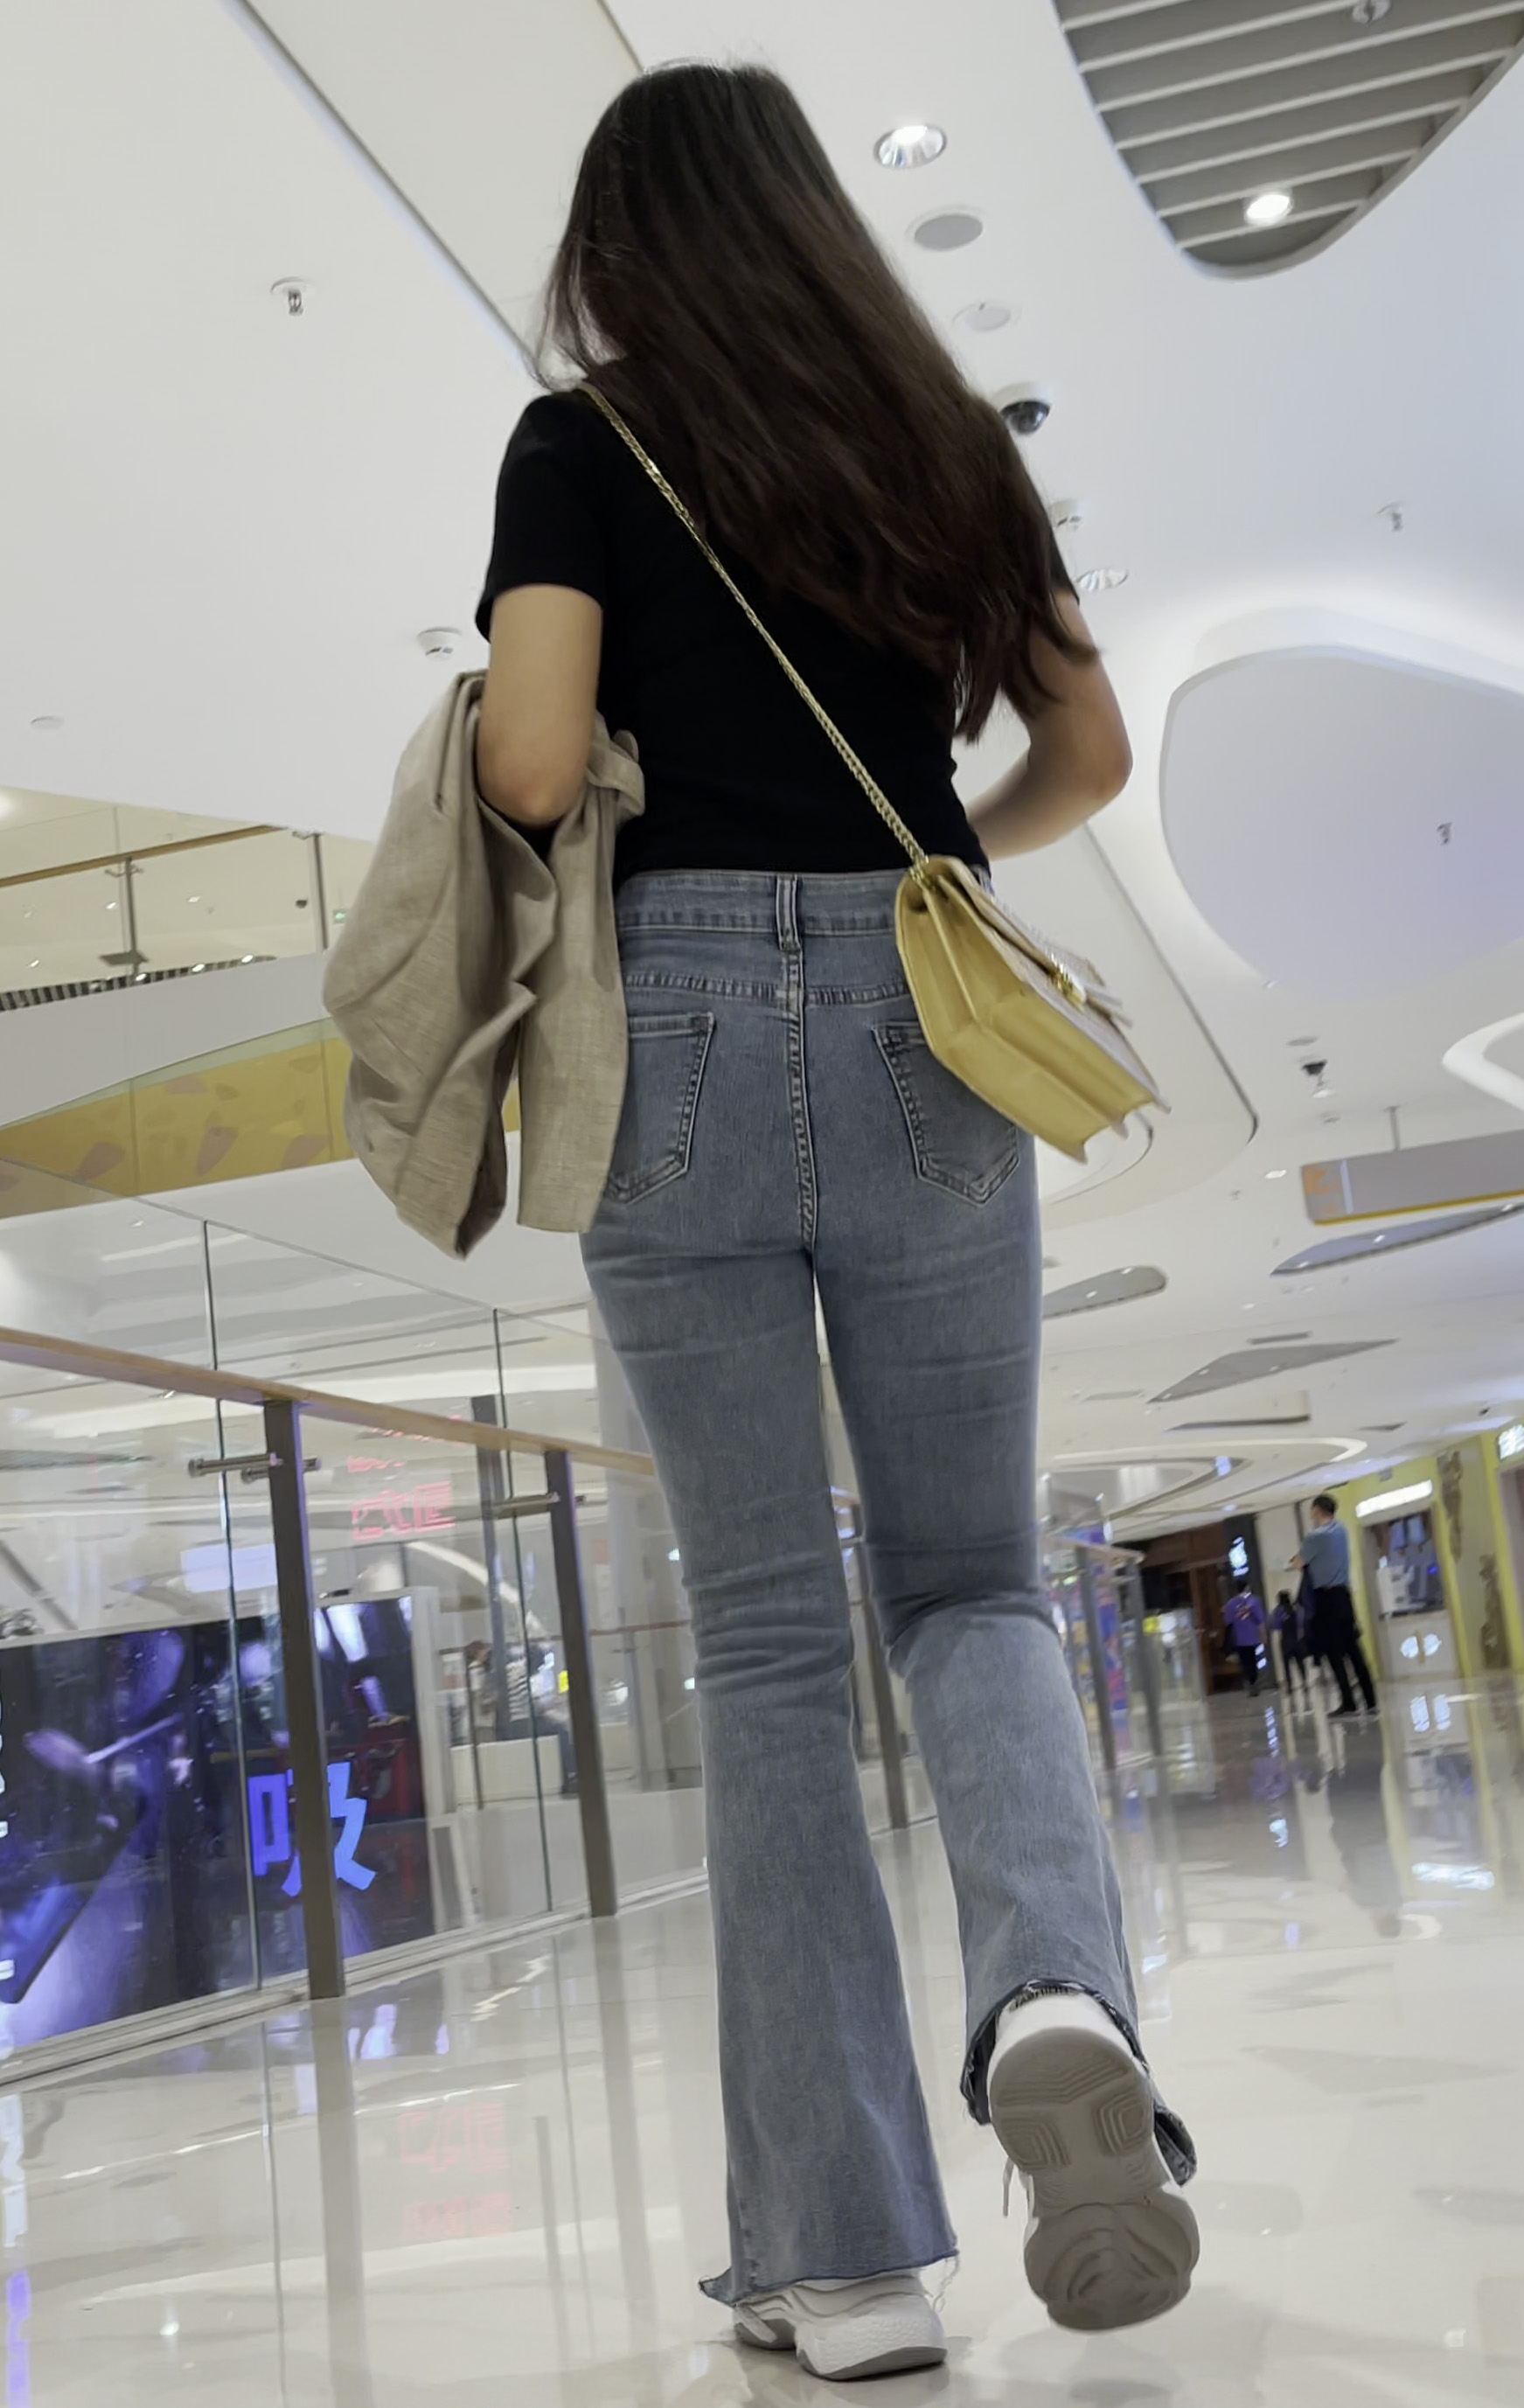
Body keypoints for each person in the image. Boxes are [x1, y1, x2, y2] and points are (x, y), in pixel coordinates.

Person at [473, 64, 1196, 2375]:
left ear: (618, 242)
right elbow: (1085, 756)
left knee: (767, 1646)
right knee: (970, 1582)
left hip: (669, 1028)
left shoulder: (579, 441)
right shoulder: (942, 442)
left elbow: (527, 759)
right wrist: (931, 850)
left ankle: (841, 2258)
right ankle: (1054, 2000)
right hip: (921, 1016)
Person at [1294, 1494, 1377, 1720]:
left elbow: (1299, 1563)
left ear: (1315, 1511)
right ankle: (1371, 1700)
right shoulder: (1342, 1531)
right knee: (1353, 1649)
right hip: (1344, 1595)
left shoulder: (1314, 1537)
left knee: (1333, 1652)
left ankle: (1349, 1702)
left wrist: (1300, 1562)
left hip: (1325, 1599)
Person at [1223, 1581, 1266, 1695]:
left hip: (1239, 1639)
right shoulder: (1253, 1601)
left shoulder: (1230, 1604)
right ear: (1246, 1588)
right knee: (1253, 1661)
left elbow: (1228, 1622)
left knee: (1244, 1662)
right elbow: (1260, 1621)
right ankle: (1255, 1683)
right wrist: (1263, 1635)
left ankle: (1249, 1684)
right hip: (1252, 1637)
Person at [1272, 1588, 1311, 1699]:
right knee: (1300, 1663)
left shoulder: (1277, 1611)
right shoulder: (1296, 1609)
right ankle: (1305, 1682)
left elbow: (1279, 1631)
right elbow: (1300, 1629)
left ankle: (1289, 1685)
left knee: (1287, 1665)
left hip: (1285, 1642)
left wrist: (1282, 1641)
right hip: (1296, 1641)